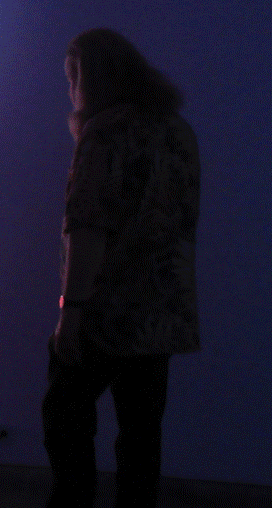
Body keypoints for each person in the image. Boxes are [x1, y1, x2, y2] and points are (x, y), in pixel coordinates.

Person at [42, 28, 201, 508]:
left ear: (89, 77)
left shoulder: (105, 133)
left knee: (65, 413)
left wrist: (71, 313)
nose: (70, 90)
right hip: (163, 308)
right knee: (142, 432)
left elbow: (88, 226)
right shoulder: (176, 131)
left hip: (107, 308)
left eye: (72, 78)